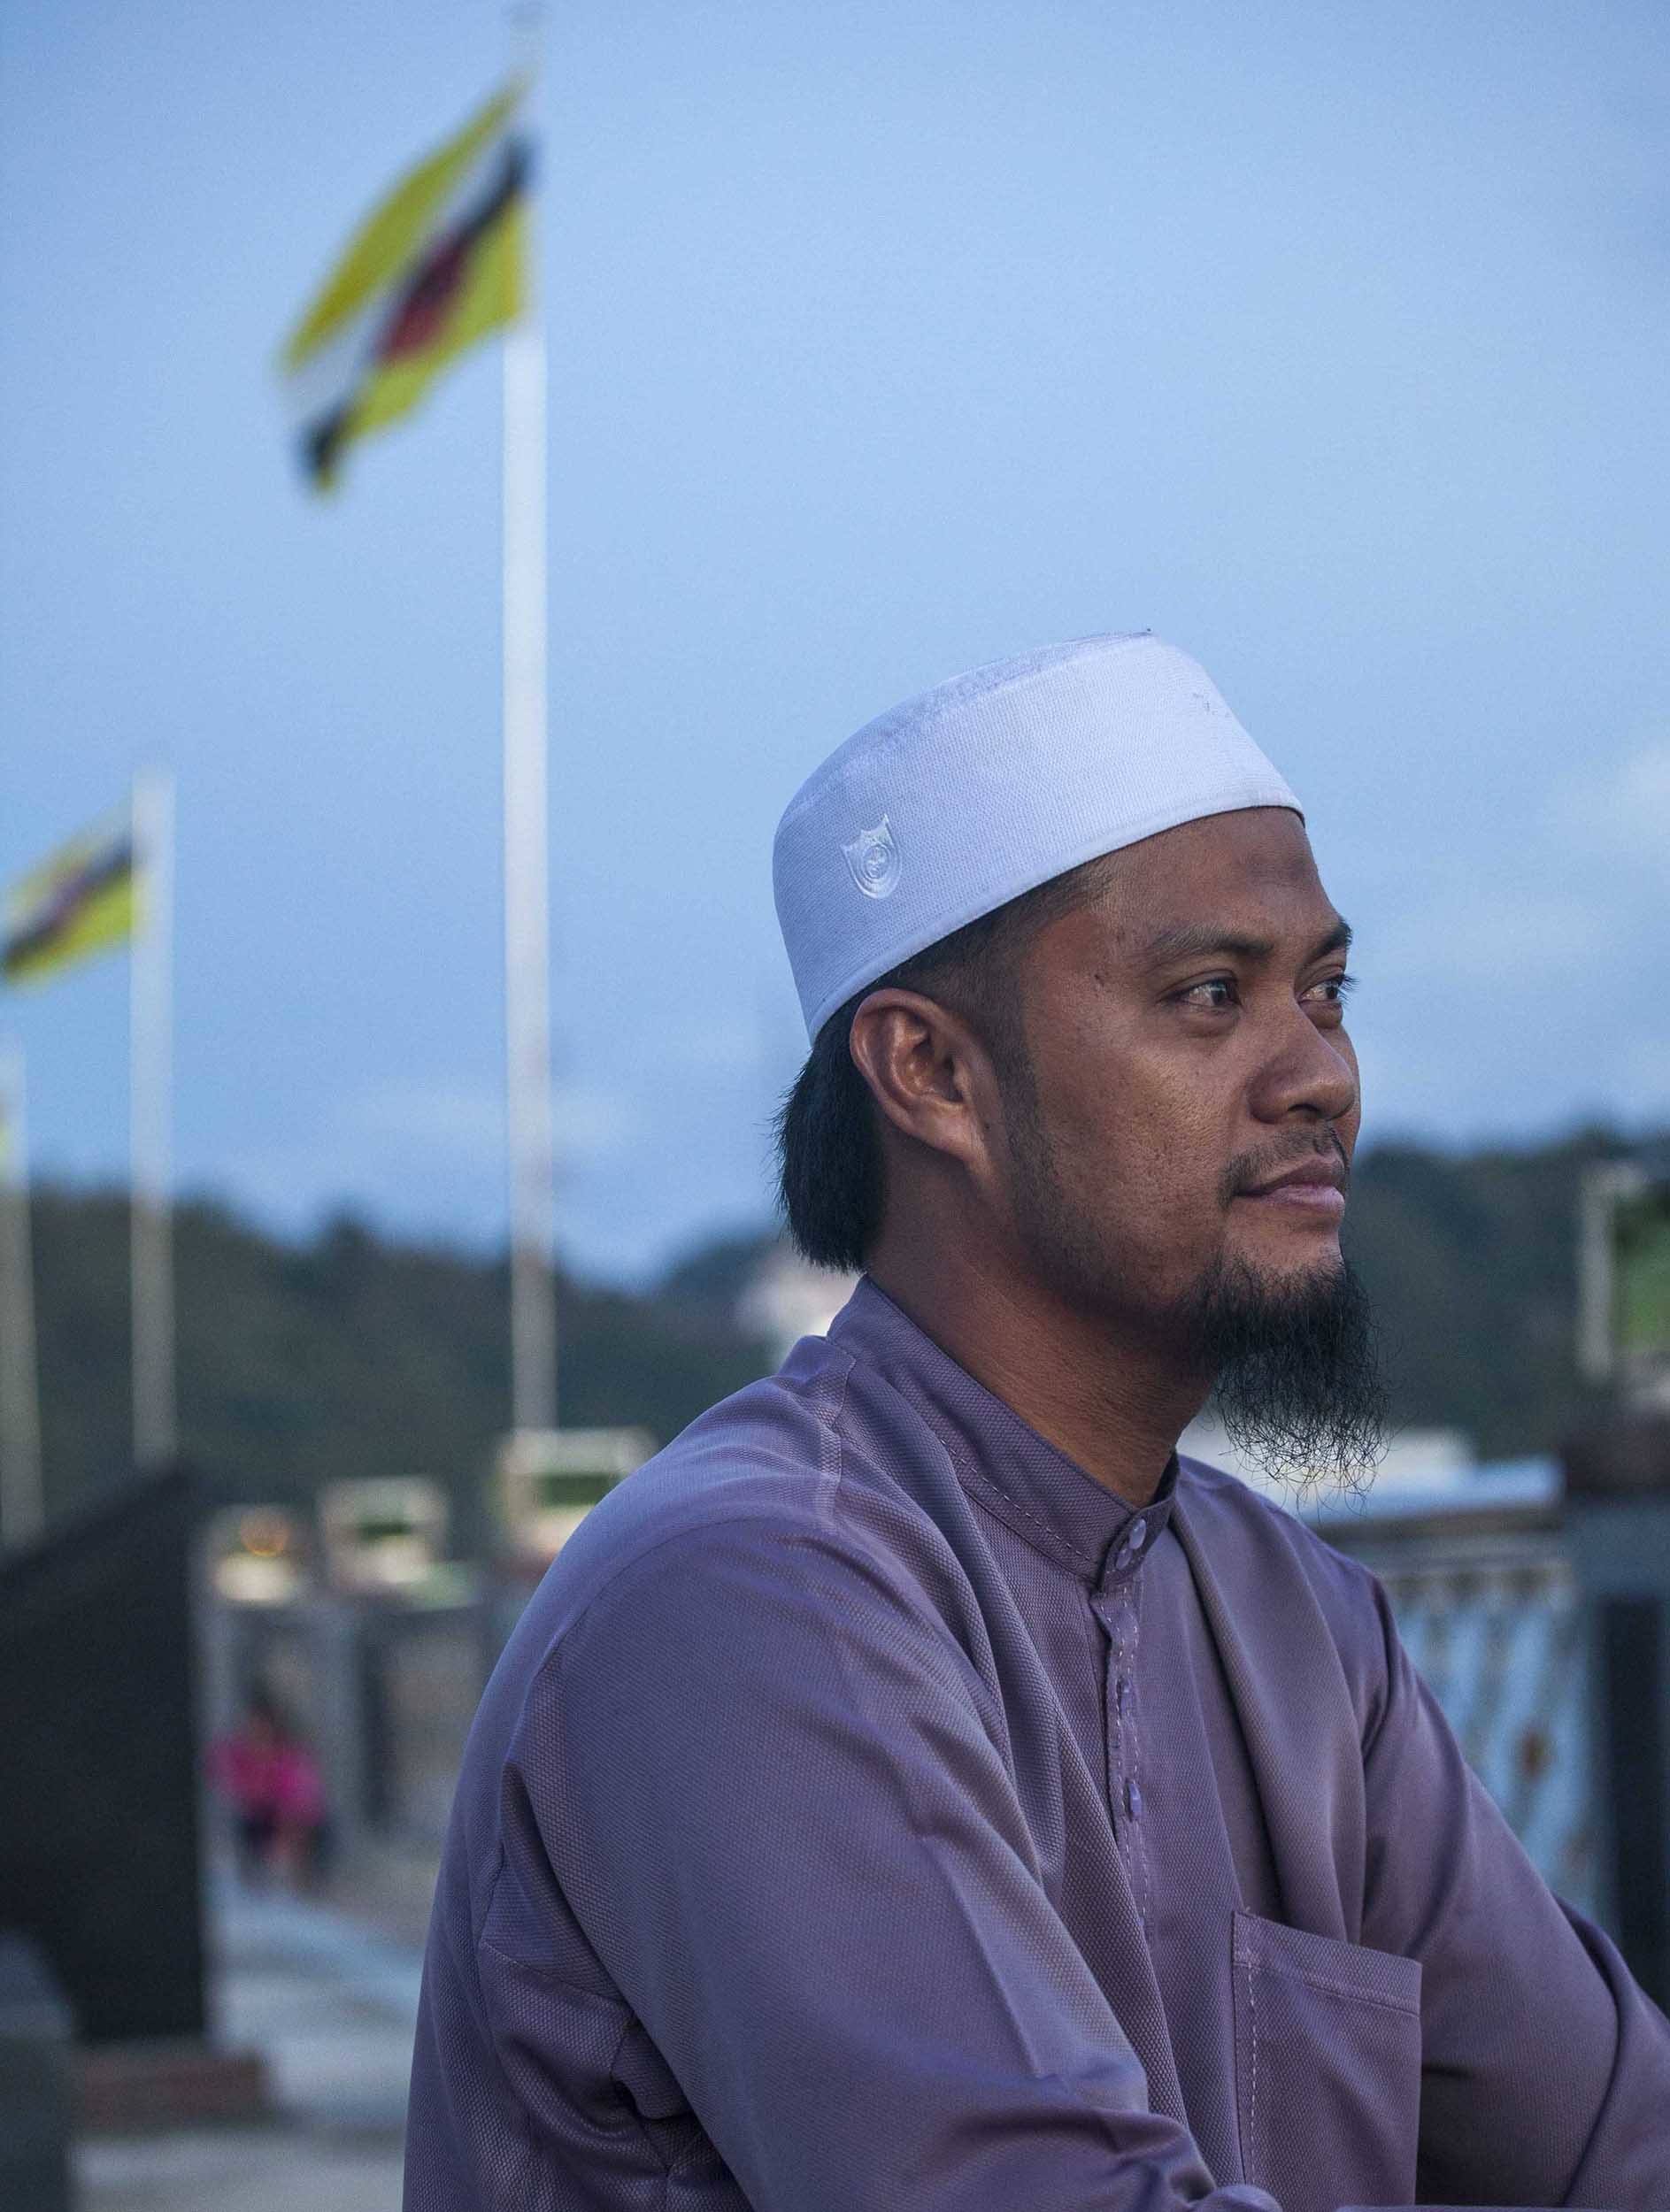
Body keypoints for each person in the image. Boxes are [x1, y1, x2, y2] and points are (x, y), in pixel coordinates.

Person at [404, 632, 1670, 2211]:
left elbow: (1617, 2147)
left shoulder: (1295, 1620)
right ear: (930, 1073)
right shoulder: (749, 1595)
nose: (1322, 1075)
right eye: (1210, 996)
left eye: (1326, 992)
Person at [208, 1685, 328, 1887]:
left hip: (289, 1821)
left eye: (262, 1727)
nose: (257, 1733)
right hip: (258, 1823)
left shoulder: (290, 1760)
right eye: (253, 1727)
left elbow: (301, 1801)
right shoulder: (238, 1756)